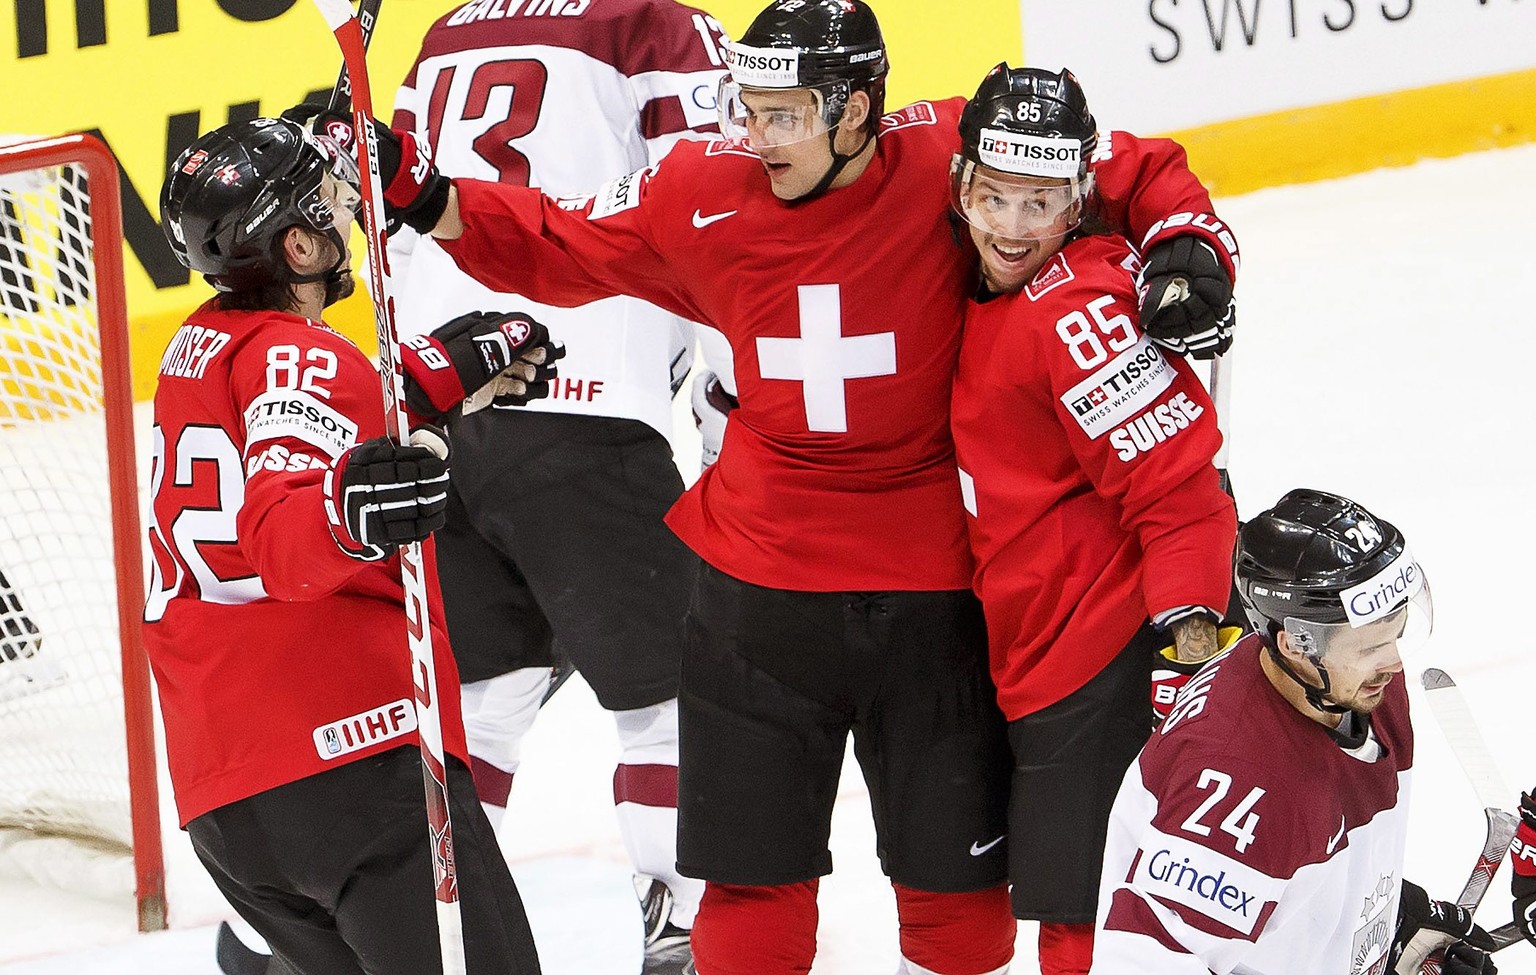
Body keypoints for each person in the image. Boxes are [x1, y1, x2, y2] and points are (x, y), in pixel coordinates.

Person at [339, 1, 1242, 970]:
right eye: (747, 106)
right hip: (759, 599)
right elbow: (558, 241)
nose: (755, 135)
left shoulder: (954, 155)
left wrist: (1190, 243)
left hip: (931, 603)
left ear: (857, 110)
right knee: (747, 895)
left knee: (957, 907)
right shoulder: (702, 186)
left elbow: (1124, 164)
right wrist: (421, 190)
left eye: (784, 114)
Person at [147, 116, 556, 975]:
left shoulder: (194, 348)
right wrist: (346, 513)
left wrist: (431, 379)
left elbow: (293, 415)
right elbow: (286, 532)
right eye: (331, 202)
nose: (351, 210)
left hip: (229, 806)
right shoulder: (306, 361)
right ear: (299, 247)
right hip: (355, 771)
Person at [374, 5, 731, 970]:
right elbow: (720, 211)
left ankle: (428, 934)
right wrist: (724, 425)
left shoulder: (447, 29)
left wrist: (406, 393)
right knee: (671, 697)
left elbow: (390, 229)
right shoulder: (659, 24)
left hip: (445, 411)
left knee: (482, 700)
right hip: (593, 408)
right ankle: (684, 926)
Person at [945, 63, 1240, 975]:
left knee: (1090, 915)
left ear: (1079, 199)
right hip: (1044, 647)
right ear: (961, 186)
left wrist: (1187, 646)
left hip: (1106, 654)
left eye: (1041, 205)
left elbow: (1184, 496)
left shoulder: (1079, 313)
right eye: (994, 198)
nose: (1012, 229)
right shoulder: (992, 281)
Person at [1090, 488, 1499, 975]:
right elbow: (1140, 964)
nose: (1393, 663)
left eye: (1396, 630)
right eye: (1370, 646)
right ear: (1296, 644)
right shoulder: (1237, 782)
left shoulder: (1356, 687)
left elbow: (1306, 862)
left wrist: (1389, 930)